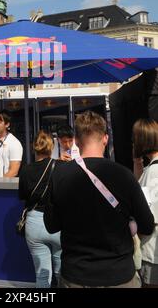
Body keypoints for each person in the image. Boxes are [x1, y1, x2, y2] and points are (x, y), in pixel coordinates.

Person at [44, 110, 155, 288]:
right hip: (119, 275)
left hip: (75, 275)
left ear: (77, 142)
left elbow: (51, 225)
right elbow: (147, 225)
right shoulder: (124, 175)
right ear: (105, 138)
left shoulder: (59, 175)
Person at [18, 131, 61, 288]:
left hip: (34, 223)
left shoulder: (26, 170)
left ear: (33, 147)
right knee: (61, 273)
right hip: (57, 223)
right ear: (52, 147)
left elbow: (22, 196)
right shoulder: (61, 167)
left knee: (42, 276)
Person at [132, 118, 158, 288]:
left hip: (153, 250)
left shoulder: (152, 173)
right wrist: (137, 162)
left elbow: (147, 216)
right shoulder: (150, 170)